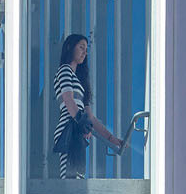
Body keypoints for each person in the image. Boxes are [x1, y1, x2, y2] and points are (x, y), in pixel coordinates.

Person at [50, 33, 129, 181]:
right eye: (81, 47)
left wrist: (112, 139)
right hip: (68, 129)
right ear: (69, 47)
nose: (84, 52)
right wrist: (82, 123)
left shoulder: (78, 81)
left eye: (86, 49)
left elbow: (91, 118)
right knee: (70, 176)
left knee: (78, 176)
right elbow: (68, 100)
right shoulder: (64, 70)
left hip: (78, 129)